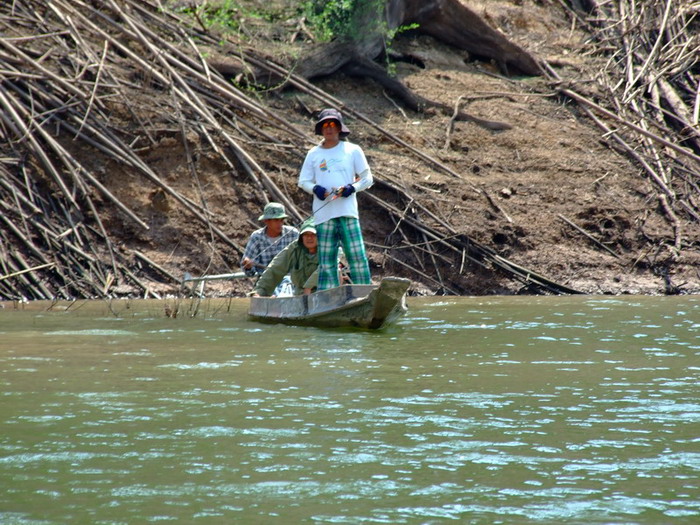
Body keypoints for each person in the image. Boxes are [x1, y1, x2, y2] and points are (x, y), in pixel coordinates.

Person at [297, 108, 373, 291]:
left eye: (332, 124)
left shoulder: (353, 150)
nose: (329, 128)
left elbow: (367, 178)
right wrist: (315, 188)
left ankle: (364, 292)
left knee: (357, 256)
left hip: (347, 212)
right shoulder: (314, 154)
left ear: (339, 128)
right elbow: (303, 181)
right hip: (324, 215)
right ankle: (327, 296)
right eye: (325, 125)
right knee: (327, 260)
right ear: (321, 129)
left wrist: (351, 188)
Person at [251, 219, 320, 297]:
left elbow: (327, 267)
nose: (309, 238)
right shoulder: (295, 248)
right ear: (301, 237)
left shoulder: (328, 249)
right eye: (306, 234)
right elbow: (275, 268)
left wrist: (309, 286)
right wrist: (259, 291)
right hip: (300, 296)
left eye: (313, 235)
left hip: (324, 294)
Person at [241, 202, 298, 277]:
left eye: (281, 220)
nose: (280, 223)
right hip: (265, 282)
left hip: (291, 281)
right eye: (276, 220)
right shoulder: (256, 237)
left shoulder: (293, 234)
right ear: (266, 221)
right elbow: (249, 271)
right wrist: (248, 266)